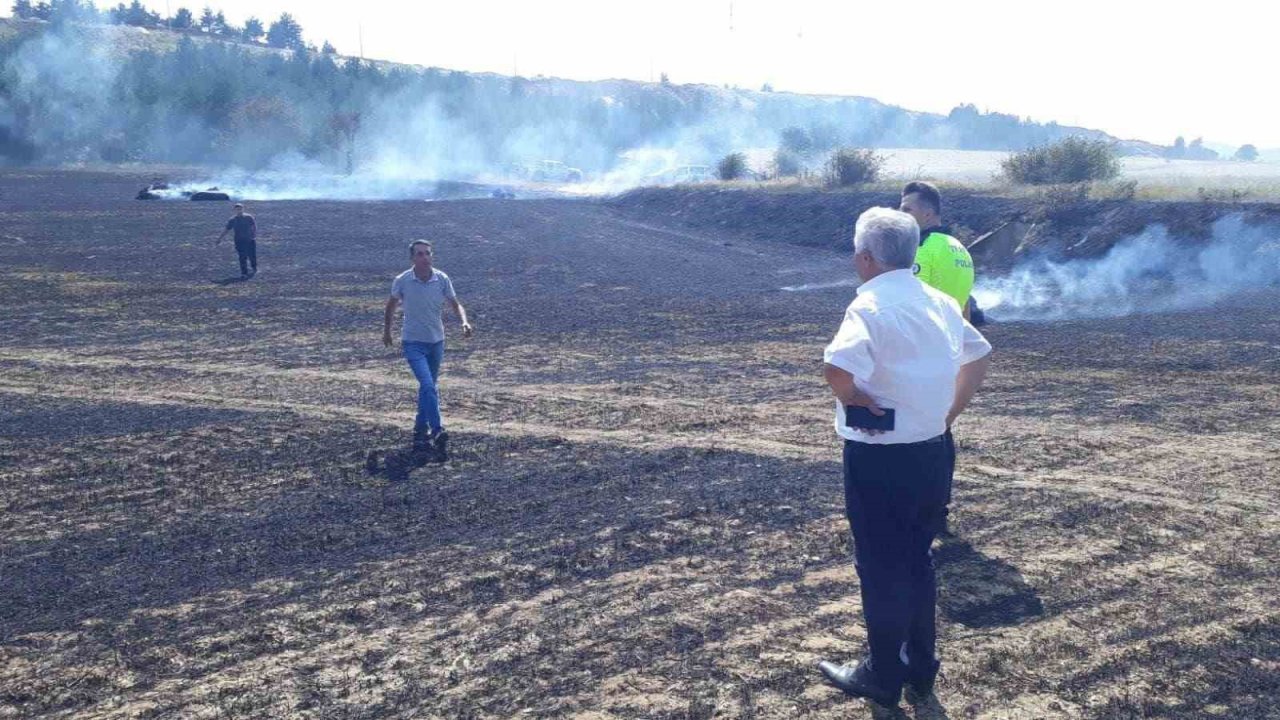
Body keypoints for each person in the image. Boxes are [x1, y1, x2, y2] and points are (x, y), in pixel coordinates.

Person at [817, 207, 992, 713]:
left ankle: (881, 675)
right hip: (933, 452)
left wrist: (855, 400)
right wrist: (948, 413)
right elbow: (978, 355)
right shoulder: (939, 302)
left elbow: (836, 367)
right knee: (918, 560)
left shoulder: (868, 307)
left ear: (865, 258)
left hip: (879, 459)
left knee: (879, 567)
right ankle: (920, 669)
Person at [383, 240, 473, 460]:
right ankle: (437, 429)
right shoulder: (403, 281)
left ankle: (420, 427)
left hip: (436, 341)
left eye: (428, 253)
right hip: (413, 342)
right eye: (420, 254)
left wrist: (464, 321)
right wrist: (387, 331)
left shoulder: (441, 279)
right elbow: (391, 305)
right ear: (412, 258)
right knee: (428, 385)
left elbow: (455, 303)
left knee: (428, 388)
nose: (425, 257)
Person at [899, 181, 976, 320]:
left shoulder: (921, 248)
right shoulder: (960, 248)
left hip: (927, 338)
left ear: (927, 215)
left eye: (906, 210)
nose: (900, 215)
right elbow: (966, 309)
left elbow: (912, 305)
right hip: (954, 338)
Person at [215, 203, 258, 278]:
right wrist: (220, 238)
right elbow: (227, 229)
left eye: (240, 209)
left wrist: (253, 235)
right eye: (237, 209)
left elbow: (254, 226)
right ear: (234, 210)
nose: (239, 210)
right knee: (242, 256)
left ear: (243, 209)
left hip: (250, 239)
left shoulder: (249, 217)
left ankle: (254, 267)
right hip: (239, 241)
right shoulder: (233, 220)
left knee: (252, 255)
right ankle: (244, 272)